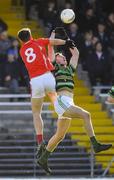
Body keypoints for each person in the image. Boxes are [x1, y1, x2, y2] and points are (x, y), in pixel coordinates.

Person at [37, 30, 112, 174]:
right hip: (62, 102)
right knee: (86, 115)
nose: (61, 58)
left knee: (60, 135)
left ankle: (43, 159)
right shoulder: (54, 68)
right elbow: (50, 49)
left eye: (63, 57)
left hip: (68, 102)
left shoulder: (70, 69)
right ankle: (95, 144)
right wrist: (53, 36)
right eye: (59, 57)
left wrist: (67, 38)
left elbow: (76, 53)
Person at [17, 28, 74, 159]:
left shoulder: (21, 51)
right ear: (31, 35)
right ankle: (64, 122)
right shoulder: (38, 41)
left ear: (20, 40)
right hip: (48, 76)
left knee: (36, 113)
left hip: (36, 80)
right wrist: (66, 42)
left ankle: (40, 141)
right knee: (57, 102)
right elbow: (53, 42)